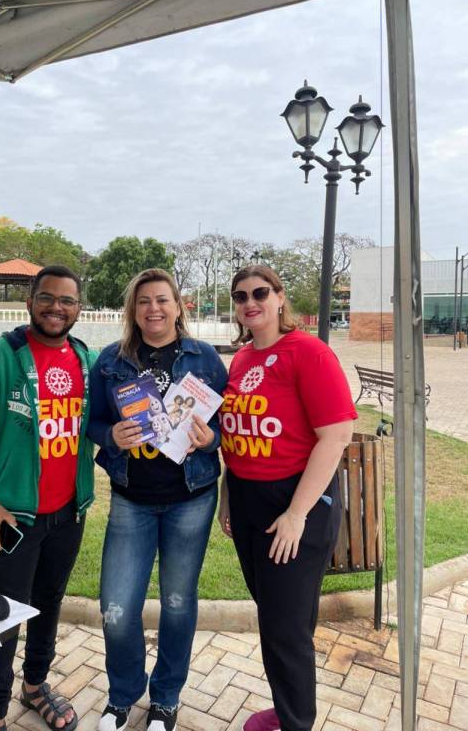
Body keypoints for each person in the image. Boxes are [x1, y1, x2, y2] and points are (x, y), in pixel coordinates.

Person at [0, 265, 98, 731]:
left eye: (67, 300)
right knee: (5, 617)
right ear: (30, 302)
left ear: (79, 308)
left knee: (48, 604)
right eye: (47, 298)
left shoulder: (86, 359)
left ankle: (35, 686)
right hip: (13, 516)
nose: (57, 307)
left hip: (68, 514)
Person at [87, 268, 228, 731]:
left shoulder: (205, 358)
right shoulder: (110, 361)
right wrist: (111, 436)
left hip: (191, 498)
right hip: (132, 499)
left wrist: (209, 439)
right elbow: (93, 422)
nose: (154, 309)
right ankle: (123, 694)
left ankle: (166, 698)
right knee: (116, 608)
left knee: (178, 603)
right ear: (133, 310)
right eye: (144, 301)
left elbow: (225, 424)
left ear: (178, 305)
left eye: (162, 299)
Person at [218, 265, 356, 731]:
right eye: (240, 296)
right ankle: (287, 707)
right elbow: (236, 433)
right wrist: (228, 494)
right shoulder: (242, 359)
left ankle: (296, 721)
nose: (249, 303)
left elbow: (336, 436)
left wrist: (297, 514)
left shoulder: (308, 352)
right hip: (248, 500)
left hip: (294, 502)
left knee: (285, 629)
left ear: (280, 298)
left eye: (260, 293)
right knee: (280, 618)